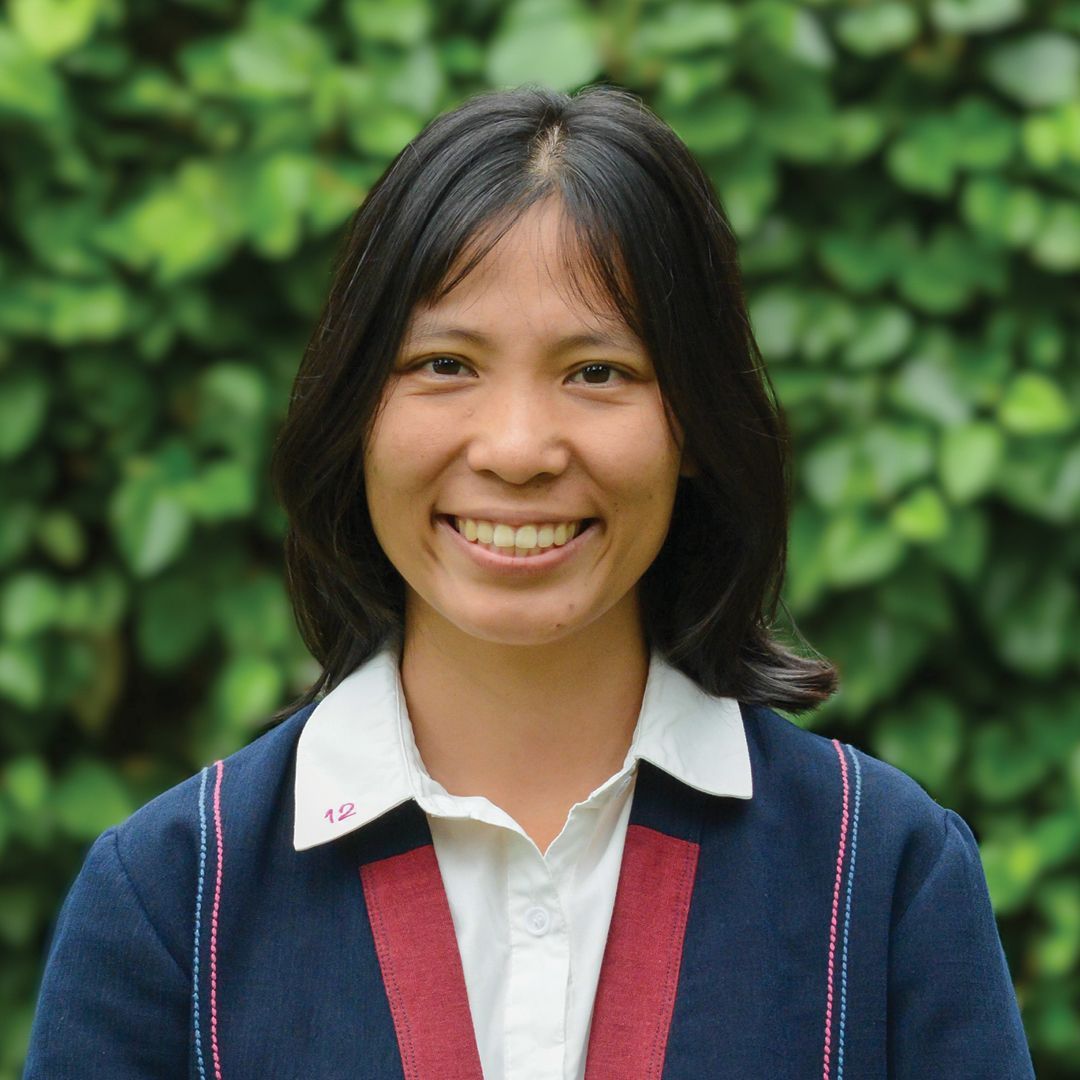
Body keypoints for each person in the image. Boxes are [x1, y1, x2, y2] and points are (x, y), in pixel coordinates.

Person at [24, 85, 1034, 1079]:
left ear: (694, 424)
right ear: (356, 413)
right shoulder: (171, 902)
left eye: (598, 372)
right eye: (444, 364)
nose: (517, 449)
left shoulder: (880, 875)